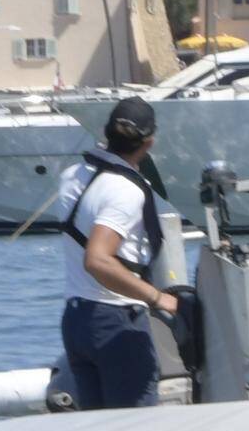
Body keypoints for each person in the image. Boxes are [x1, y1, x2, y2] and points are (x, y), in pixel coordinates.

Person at [48, 95, 189, 408]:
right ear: (149, 143)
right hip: (116, 321)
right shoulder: (125, 191)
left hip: (76, 319)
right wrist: (157, 297)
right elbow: (97, 260)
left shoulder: (71, 177)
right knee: (136, 428)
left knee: (101, 430)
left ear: (105, 132)